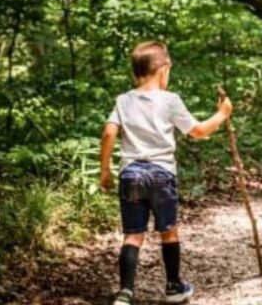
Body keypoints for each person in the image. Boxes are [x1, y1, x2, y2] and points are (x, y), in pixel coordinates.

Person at [99, 41, 234, 305]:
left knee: (133, 235)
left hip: (131, 173)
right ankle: (173, 287)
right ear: (163, 70)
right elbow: (197, 131)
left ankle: (125, 292)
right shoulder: (170, 100)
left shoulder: (123, 100)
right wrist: (222, 114)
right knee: (169, 230)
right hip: (161, 174)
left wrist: (105, 170)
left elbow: (109, 132)